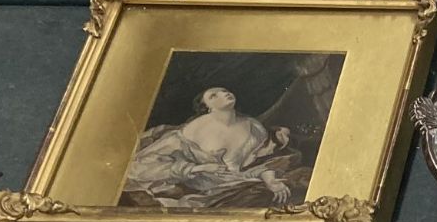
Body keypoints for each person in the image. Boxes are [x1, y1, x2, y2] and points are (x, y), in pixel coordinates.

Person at [121, 86, 306, 210]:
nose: (224, 94)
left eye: (224, 91)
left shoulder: (253, 127)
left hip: (236, 181)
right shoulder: (191, 132)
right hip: (203, 184)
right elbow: (141, 166)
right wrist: (198, 168)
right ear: (207, 107)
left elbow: (250, 167)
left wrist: (270, 179)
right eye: (213, 95)